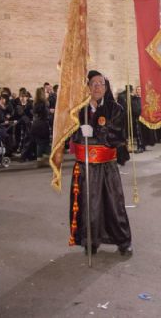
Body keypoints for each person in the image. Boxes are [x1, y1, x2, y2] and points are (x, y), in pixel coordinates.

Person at [69, 70, 132, 256]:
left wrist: (97, 132)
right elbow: (70, 133)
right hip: (84, 165)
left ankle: (123, 241)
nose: (97, 87)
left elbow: (118, 136)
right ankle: (90, 240)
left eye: (101, 84)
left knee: (113, 204)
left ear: (106, 87)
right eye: (93, 84)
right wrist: (80, 133)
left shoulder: (116, 109)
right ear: (88, 87)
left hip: (106, 166)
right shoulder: (80, 109)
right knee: (88, 204)